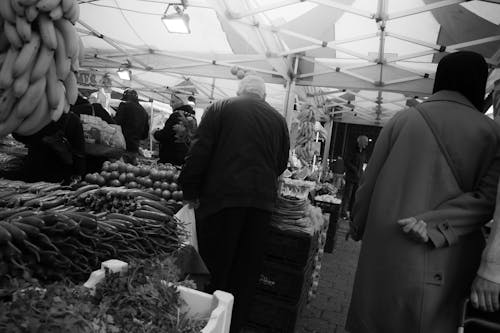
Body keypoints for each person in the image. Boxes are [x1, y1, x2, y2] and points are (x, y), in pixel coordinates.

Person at [345, 51, 500, 333]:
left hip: (384, 249)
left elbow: (368, 184)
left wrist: (357, 224)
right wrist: (435, 225)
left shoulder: (402, 120)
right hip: (445, 257)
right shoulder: (491, 134)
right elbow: (488, 200)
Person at [178, 75, 290, 333]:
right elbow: (281, 163)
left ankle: (206, 323)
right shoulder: (278, 120)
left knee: (216, 266)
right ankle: (233, 324)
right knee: (246, 271)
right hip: (261, 206)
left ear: (240, 91)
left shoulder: (220, 107)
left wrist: (190, 188)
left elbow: (199, 150)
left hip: (221, 202)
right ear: (262, 95)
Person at [13, 112, 86, 184]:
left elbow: (20, 137)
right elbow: (79, 155)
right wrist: (79, 172)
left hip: (33, 171)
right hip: (59, 177)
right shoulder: (72, 119)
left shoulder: (35, 115)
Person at [153, 94, 197, 165]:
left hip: (171, 159)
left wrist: (155, 133)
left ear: (181, 102)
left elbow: (165, 135)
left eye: (173, 102)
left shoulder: (176, 115)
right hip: (185, 157)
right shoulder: (193, 118)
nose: (170, 104)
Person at [114, 89, 149, 165]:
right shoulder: (144, 112)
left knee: (119, 171)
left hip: (122, 146)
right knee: (131, 173)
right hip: (134, 148)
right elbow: (145, 135)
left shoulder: (124, 106)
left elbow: (116, 124)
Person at [341, 135, 368, 219]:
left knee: (355, 196)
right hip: (350, 177)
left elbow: (361, 164)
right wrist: (355, 169)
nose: (366, 144)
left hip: (358, 178)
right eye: (365, 142)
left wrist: (362, 173)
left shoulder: (363, 152)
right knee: (347, 195)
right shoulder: (352, 150)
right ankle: (343, 212)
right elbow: (346, 161)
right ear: (360, 142)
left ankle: (351, 212)